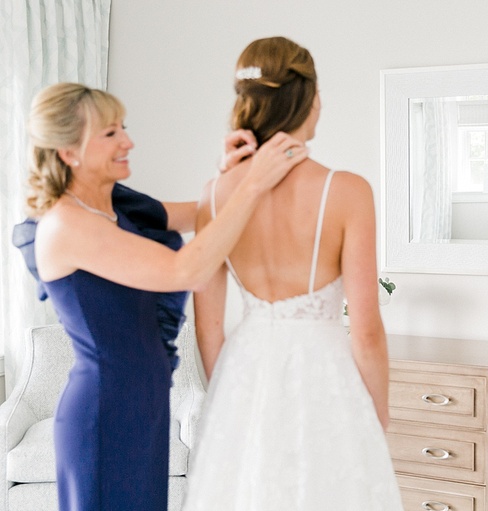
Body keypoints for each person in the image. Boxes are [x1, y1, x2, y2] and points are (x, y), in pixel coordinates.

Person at [22, 82, 307, 511]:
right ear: (68, 151)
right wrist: (252, 185)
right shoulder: (65, 225)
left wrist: (232, 172)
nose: (128, 141)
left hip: (146, 406)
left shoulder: (118, 207)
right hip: (105, 416)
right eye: (111, 133)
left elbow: (205, 212)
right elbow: (186, 268)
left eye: (124, 128)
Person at [183, 37, 403, 510]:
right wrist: (377, 412)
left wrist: (231, 397)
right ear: (309, 97)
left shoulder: (215, 194)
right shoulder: (346, 191)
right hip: (323, 370)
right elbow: (366, 330)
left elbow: (209, 326)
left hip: (245, 368)